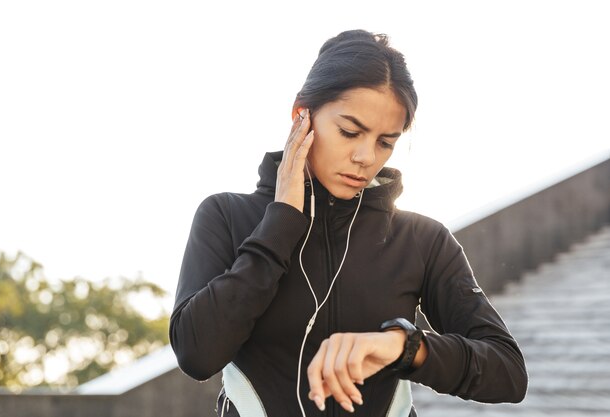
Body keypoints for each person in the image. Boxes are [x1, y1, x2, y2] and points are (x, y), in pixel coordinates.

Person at [169, 29, 528, 417]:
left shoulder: (421, 239)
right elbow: (197, 354)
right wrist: (281, 223)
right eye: (349, 132)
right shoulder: (226, 216)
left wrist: (405, 347)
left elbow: (507, 372)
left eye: (385, 142)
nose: (365, 156)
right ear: (301, 116)